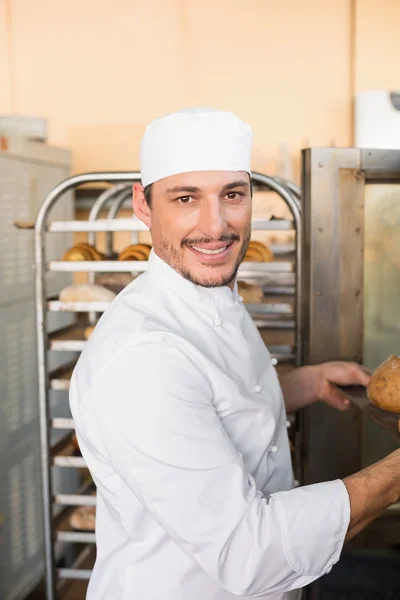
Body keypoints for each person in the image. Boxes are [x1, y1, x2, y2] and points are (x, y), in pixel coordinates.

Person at [70, 108, 400, 600]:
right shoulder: (141, 359)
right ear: (143, 205)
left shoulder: (206, 289)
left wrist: (299, 384)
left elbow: (211, 399)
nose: (216, 225)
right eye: (186, 198)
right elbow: (249, 554)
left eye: (232, 194)